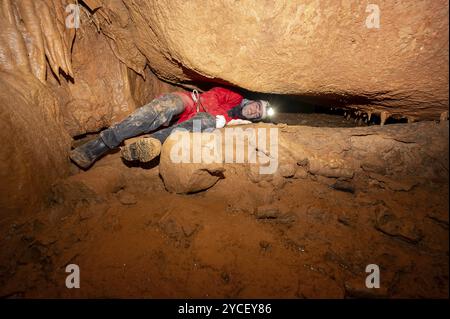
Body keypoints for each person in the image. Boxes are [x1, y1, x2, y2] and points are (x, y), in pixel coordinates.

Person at [69, 87, 272, 169]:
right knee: (169, 106)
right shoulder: (234, 97)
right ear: (251, 101)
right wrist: (222, 117)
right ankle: (99, 145)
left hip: (190, 124)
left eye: (258, 114)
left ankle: (149, 145)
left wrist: (222, 123)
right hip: (190, 102)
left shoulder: (239, 126)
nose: (255, 111)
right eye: (257, 106)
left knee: (207, 122)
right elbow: (213, 97)